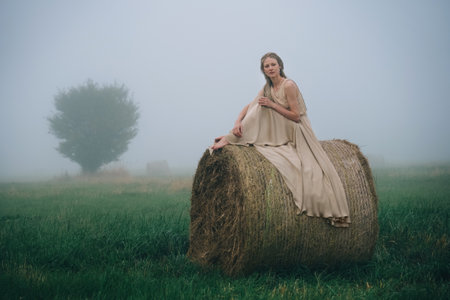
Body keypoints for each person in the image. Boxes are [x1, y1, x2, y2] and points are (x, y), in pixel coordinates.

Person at [211, 52, 350, 227]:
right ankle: (233, 135)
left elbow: (296, 116)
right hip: (277, 127)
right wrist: (237, 122)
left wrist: (272, 105)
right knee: (258, 106)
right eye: (266, 66)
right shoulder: (267, 87)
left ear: (280, 66)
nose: (270, 68)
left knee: (264, 108)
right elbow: (249, 105)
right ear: (263, 70)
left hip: (295, 128)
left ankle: (231, 139)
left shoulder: (288, 85)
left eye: (273, 64)